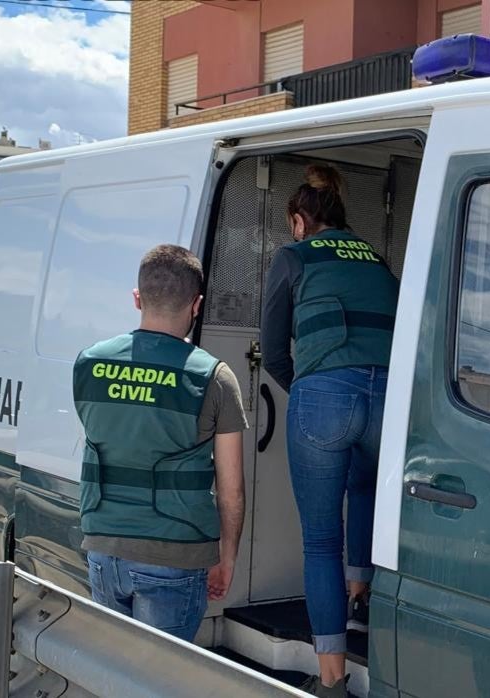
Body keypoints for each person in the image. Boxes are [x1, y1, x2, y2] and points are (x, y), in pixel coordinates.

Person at [262, 164, 398, 697]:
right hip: (387, 396)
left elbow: (273, 350)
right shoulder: (378, 259)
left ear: (300, 221)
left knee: (321, 541)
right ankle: (361, 596)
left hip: (324, 394)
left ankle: (332, 680)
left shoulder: (294, 257)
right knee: (364, 488)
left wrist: (312, 391)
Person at [74, 244, 247, 642]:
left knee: (115, 676)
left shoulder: (89, 363)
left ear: (138, 299)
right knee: (162, 680)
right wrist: (227, 556)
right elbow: (231, 489)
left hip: (104, 546)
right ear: (197, 304)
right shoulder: (214, 378)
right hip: (175, 555)